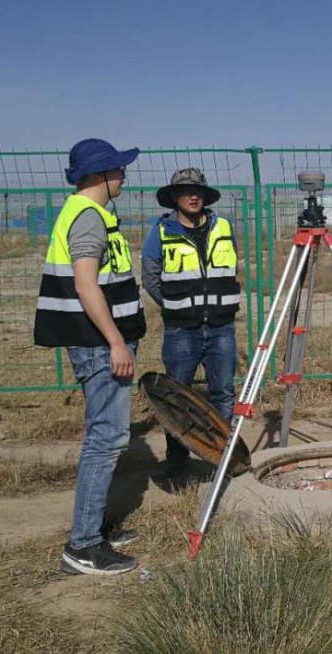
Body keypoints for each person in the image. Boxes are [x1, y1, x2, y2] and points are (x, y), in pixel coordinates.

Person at [34, 138, 146, 576]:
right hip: (99, 345)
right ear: (99, 174)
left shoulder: (91, 214)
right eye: (118, 170)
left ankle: (94, 529)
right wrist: (116, 342)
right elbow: (86, 285)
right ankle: (83, 545)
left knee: (107, 436)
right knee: (107, 439)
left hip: (100, 342)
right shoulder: (87, 217)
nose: (123, 176)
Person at [141, 168, 240, 485]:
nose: (193, 196)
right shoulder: (161, 231)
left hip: (222, 327)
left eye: (197, 191)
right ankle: (177, 462)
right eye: (185, 191)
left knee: (223, 394)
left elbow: (230, 265)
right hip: (181, 331)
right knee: (177, 399)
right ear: (174, 197)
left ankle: (220, 458)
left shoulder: (222, 227)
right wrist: (176, 305)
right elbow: (151, 278)